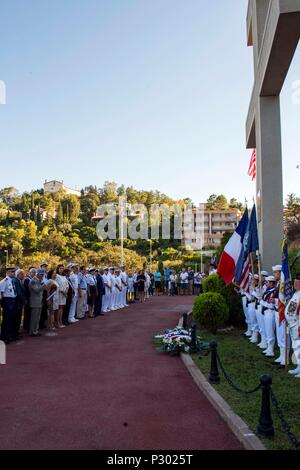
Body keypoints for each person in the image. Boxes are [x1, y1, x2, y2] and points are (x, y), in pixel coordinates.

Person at [285, 272, 300, 377]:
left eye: (298, 283)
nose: (295, 284)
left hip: (297, 326)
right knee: (296, 348)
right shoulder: (296, 293)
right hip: (292, 325)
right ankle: (299, 367)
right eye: (295, 282)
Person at [260, 276, 277, 357]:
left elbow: (271, 306)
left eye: (267, 282)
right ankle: (268, 347)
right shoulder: (268, 291)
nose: (266, 283)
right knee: (267, 330)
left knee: (270, 331)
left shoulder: (274, 292)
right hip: (266, 313)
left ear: (271, 283)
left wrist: (262, 303)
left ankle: (271, 350)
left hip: (270, 313)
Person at [0, 267, 17, 344]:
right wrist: (3, 304)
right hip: (7, 301)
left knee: (11, 319)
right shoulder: (4, 281)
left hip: (12, 300)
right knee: (6, 320)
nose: (13, 273)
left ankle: (9, 335)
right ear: (7, 273)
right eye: (11, 272)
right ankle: (4, 337)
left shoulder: (12, 281)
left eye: (13, 272)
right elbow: (1, 293)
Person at [29, 269, 47, 337]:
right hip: (35, 301)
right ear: (38, 274)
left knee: (37, 317)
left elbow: (42, 290)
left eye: (43, 275)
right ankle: (32, 331)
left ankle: (35, 330)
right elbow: (37, 290)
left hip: (39, 301)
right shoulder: (33, 281)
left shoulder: (38, 280)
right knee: (34, 318)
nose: (42, 276)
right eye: (42, 275)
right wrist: (44, 284)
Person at [12, 269, 26, 340]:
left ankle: (16, 332)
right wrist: (24, 301)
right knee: (16, 319)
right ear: (18, 275)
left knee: (18, 318)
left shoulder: (19, 281)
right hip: (17, 303)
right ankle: (14, 334)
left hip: (19, 303)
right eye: (22, 274)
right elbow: (19, 293)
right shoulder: (16, 281)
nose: (23, 275)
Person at [23, 268, 36, 333]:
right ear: (30, 273)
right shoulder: (27, 280)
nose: (34, 273)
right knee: (27, 313)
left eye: (35, 272)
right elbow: (25, 290)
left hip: (34, 299)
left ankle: (31, 326)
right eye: (33, 272)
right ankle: (27, 327)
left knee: (32, 313)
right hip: (28, 299)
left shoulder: (35, 279)